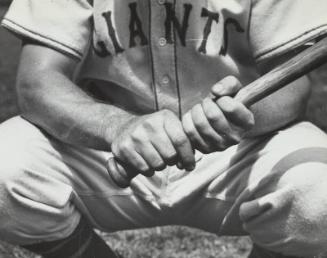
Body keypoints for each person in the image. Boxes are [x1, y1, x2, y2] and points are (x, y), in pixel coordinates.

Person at [1, 0, 327, 257]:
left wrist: (239, 115)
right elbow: (37, 84)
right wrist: (117, 127)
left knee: (317, 186)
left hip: (234, 155)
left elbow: (292, 88)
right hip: (107, 154)